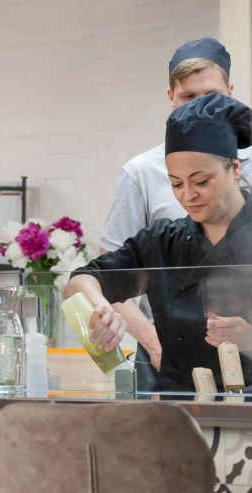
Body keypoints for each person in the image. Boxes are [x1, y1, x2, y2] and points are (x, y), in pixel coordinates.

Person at [66, 93, 252, 391]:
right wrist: (102, 310)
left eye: (201, 181)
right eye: (176, 183)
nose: (187, 195)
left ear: (234, 168)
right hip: (176, 412)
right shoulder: (163, 241)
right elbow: (81, 280)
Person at [100, 37, 252, 374]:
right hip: (163, 348)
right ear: (170, 97)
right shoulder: (140, 173)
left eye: (211, 96)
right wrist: (154, 342)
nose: (189, 193)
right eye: (188, 97)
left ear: (230, 90)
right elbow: (117, 274)